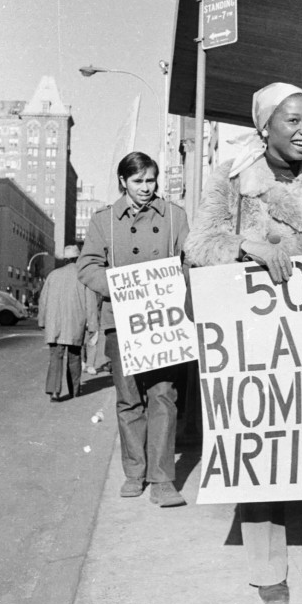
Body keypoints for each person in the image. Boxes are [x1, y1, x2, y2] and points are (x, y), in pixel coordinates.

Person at [184, 82, 302, 604]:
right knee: (263, 444)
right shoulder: (232, 178)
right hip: (255, 339)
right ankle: (267, 568)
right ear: (265, 126)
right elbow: (198, 245)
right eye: (292, 121)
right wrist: (248, 247)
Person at [77, 151, 189, 507]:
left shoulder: (175, 215)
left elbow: (191, 259)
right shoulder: (104, 220)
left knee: (163, 396)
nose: (146, 188)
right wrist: (123, 286)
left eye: (151, 180)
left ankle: (162, 479)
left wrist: (173, 285)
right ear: (123, 181)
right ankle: (133, 472)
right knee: (129, 400)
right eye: (138, 181)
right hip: (122, 323)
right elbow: (87, 266)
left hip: (164, 321)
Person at [38, 243, 99, 401]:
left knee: (55, 358)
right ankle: (75, 390)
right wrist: (92, 326)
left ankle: (54, 391)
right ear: (77, 258)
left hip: (55, 325)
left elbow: (43, 300)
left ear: (65, 259)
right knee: (74, 357)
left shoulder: (53, 275)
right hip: (75, 324)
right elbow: (91, 304)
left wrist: (42, 321)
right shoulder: (83, 276)